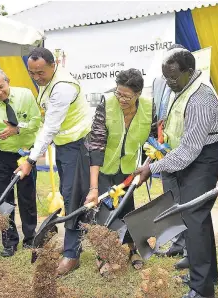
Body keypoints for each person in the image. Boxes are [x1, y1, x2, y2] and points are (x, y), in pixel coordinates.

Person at [134, 46, 218, 298]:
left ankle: (202, 289)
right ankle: (205, 275)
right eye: (166, 77)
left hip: (202, 159)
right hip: (188, 158)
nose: (169, 82)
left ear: (190, 72)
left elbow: (189, 150)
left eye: (173, 77)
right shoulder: (182, 89)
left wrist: (153, 168)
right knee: (194, 220)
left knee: (195, 219)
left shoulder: (201, 98)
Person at [14, 47, 92, 275]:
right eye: (32, 73)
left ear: (53, 65)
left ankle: (71, 254)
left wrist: (30, 160)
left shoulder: (63, 88)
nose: (37, 77)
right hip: (66, 145)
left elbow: (51, 127)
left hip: (79, 145)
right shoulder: (49, 83)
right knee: (70, 195)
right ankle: (76, 244)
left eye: (41, 72)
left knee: (72, 196)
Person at [80, 68, 156, 274]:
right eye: (118, 93)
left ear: (138, 94)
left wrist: (146, 168)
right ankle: (104, 254)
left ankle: (133, 250)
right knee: (105, 212)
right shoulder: (107, 105)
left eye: (127, 96)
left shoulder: (149, 108)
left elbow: (155, 141)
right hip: (105, 168)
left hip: (130, 170)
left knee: (128, 211)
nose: (121, 99)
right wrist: (94, 187)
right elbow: (95, 146)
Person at [0, 69, 41, 257]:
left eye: (1, 87)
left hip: (25, 156)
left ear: (8, 81)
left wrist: (17, 129)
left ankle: (30, 238)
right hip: (1, 156)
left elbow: (37, 122)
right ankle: (10, 242)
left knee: (27, 198)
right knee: (5, 199)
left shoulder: (25, 95)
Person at [151, 43, 188, 266]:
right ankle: (177, 242)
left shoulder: (191, 83)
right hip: (163, 149)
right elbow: (156, 111)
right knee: (171, 198)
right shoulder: (157, 82)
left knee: (187, 200)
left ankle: (189, 251)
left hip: (184, 150)